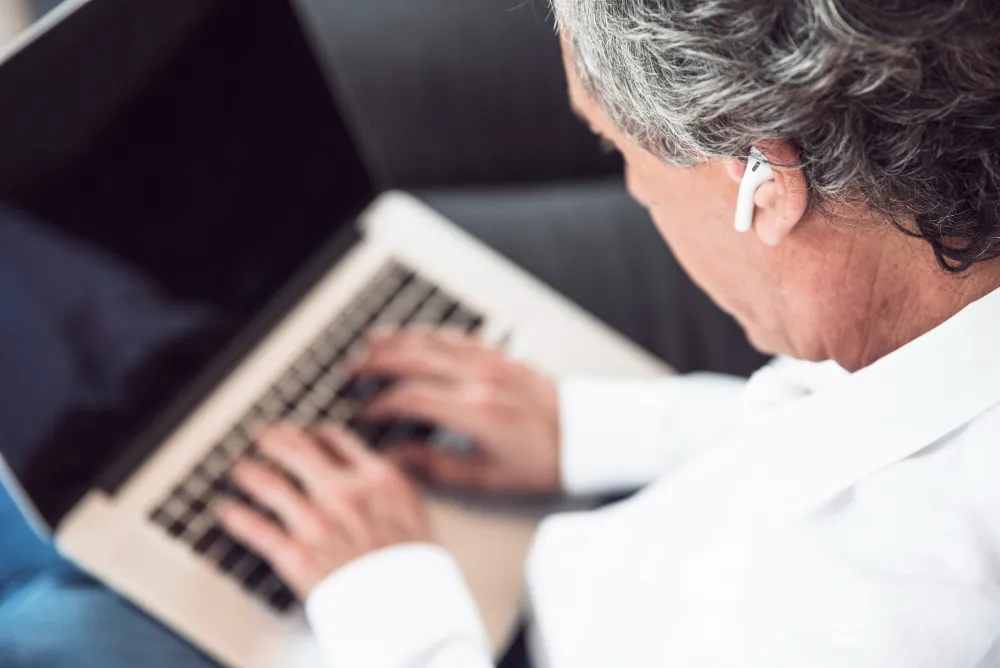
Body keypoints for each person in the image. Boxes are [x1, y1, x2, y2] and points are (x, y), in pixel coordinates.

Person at [6, 0, 1000, 667]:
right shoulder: (929, 325)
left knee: (47, 616)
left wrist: (389, 604)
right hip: (617, 525)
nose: (626, 182)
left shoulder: (890, 619)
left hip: (476, 630)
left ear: (765, 183)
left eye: (616, 146)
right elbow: (850, 437)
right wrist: (600, 428)